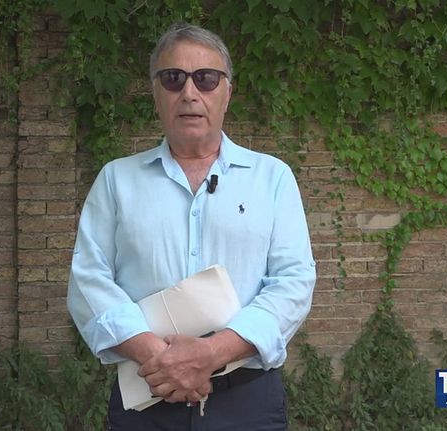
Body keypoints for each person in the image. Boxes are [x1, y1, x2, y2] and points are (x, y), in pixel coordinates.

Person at [67, 22, 316, 431]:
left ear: (227, 92)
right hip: (148, 392)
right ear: (155, 92)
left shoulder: (272, 178)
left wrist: (212, 353)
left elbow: (293, 281)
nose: (189, 93)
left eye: (206, 79)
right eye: (173, 78)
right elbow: (88, 280)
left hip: (246, 400)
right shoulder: (116, 180)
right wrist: (156, 355)